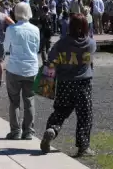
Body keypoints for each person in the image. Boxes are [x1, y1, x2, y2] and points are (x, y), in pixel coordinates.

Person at [40, 13, 97, 158]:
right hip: (83, 83)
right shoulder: (90, 44)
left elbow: (51, 62)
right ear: (85, 26)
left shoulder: (61, 44)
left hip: (64, 83)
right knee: (85, 115)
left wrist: (46, 84)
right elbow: (89, 62)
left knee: (60, 111)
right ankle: (83, 147)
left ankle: (52, 130)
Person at [3, 1, 40, 140]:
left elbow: (6, 47)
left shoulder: (11, 29)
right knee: (29, 100)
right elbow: (37, 48)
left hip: (14, 68)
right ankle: (29, 131)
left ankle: (15, 130)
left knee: (14, 101)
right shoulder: (36, 29)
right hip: (31, 68)